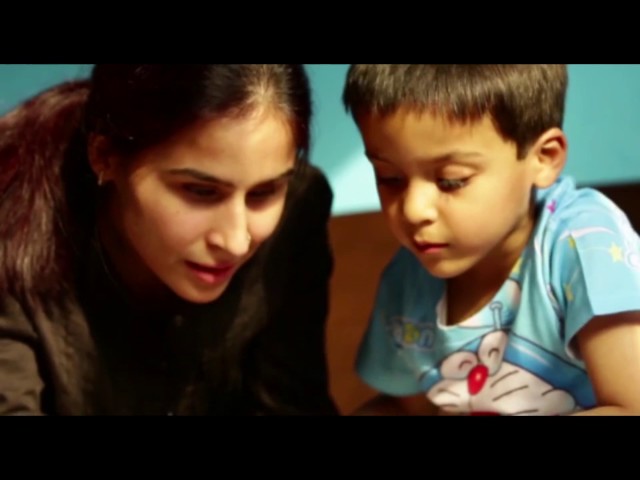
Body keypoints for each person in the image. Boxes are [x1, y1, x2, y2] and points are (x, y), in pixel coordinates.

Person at [0, 64, 338, 416]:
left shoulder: (297, 211)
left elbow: (291, 404)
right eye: (201, 191)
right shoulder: (11, 220)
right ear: (104, 156)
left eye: (264, 192)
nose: (236, 241)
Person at [342, 64, 640, 416]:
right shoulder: (407, 277)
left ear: (543, 158)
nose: (413, 210)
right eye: (389, 177)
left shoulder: (584, 242)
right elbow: (407, 408)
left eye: (451, 180)